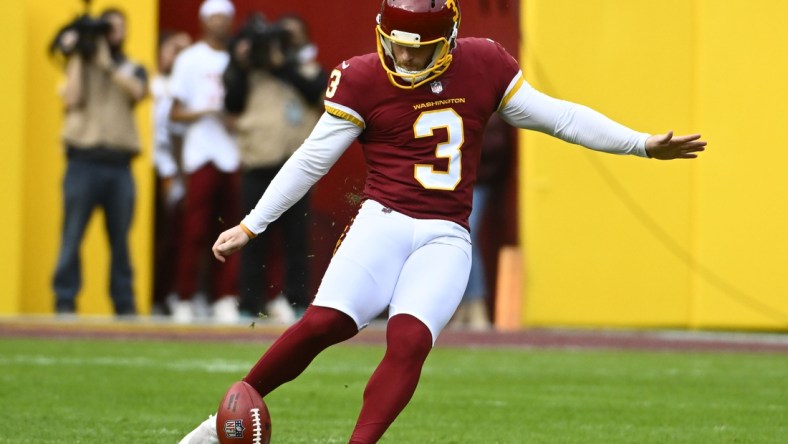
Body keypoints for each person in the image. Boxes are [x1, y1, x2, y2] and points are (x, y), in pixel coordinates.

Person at [179, 0, 706, 442]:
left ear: (449, 38)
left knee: (408, 343)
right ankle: (216, 423)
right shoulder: (363, 76)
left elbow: (561, 118)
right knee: (323, 324)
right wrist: (253, 224)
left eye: (418, 47)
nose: (405, 56)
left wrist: (640, 144)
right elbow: (312, 159)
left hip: (446, 235)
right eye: (398, 43)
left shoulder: (483, 64)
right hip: (381, 221)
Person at [223, 13, 327, 323]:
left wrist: (280, 63)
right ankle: (249, 303)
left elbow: (312, 93)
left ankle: (296, 302)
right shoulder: (249, 74)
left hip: (295, 166)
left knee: (297, 239)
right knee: (252, 237)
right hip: (258, 163)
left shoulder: (308, 70)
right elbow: (231, 103)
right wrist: (243, 62)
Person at [51, 8, 148, 316]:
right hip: (82, 161)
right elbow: (72, 100)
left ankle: (124, 303)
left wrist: (106, 64)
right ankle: (64, 299)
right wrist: (79, 53)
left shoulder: (132, 67)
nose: (111, 33)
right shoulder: (80, 65)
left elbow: (138, 92)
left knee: (120, 241)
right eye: (106, 28)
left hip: (120, 164)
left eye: (117, 27)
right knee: (72, 235)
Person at [168, 0, 241, 324]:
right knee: (194, 230)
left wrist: (232, 119)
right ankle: (184, 296)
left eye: (223, 18)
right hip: (201, 153)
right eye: (213, 18)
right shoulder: (189, 58)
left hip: (232, 153)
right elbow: (174, 112)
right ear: (203, 21)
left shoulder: (236, 58)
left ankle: (224, 297)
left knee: (232, 230)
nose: (219, 24)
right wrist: (207, 111)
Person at [451, 113, 512, 330]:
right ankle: (465, 309)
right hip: (454, 182)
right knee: (460, 241)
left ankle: (475, 307)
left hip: (475, 182)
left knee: (466, 239)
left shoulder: (487, 108)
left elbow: (494, 148)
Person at [150, 31, 192, 315]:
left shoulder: (188, 87)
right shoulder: (153, 84)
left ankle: (168, 294)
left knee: (174, 236)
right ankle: (154, 294)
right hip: (153, 165)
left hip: (175, 167)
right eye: (173, 49)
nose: (178, 57)